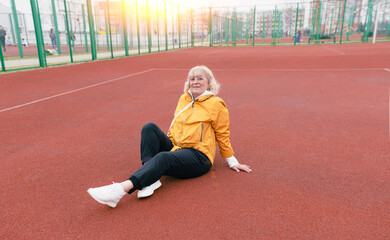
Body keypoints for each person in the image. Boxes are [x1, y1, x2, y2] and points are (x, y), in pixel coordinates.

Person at [87, 65, 252, 208]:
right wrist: (169, 143)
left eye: (200, 78)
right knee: (149, 127)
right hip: (178, 148)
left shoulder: (216, 104)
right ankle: (151, 179)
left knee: (163, 157)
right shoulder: (184, 99)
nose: (195, 81)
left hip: (199, 156)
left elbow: (223, 133)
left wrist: (232, 161)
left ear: (209, 83)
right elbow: (177, 126)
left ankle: (119, 191)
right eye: (192, 78)